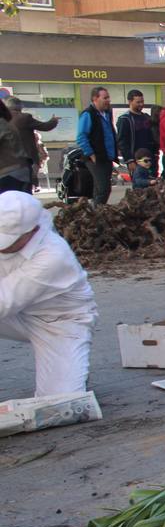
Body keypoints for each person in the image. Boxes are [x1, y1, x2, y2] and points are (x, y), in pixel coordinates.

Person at [0, 190, 98, 397]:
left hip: (58, 322)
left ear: (31, 231)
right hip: (13, 315)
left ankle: (73, 369)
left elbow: (4, 301)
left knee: (59, 400)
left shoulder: (53, 255)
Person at [7, 98, 58, 193]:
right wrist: (54, 120)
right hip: (24, 159)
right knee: (25, 188)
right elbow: (45, 126)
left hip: (6, 161)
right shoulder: (25, 118)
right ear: (20, 107)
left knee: (9, 190)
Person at [77, 87, 118, 204]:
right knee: (103, 189)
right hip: (96, 158)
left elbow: (110, 132)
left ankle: (94, 213)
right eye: (105, 98)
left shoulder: (107, 113)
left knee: (99, 189)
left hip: (107, 157)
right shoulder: (88, 114)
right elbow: (81, 136)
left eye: (108, 98)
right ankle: (97, 213)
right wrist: (91, 154)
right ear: (95, 98)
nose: (108, 100)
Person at [115, 90, 158, 178]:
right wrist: (129, 160)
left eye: (142, 101)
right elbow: (122, 141)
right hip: (136, 159)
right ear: (130, 102)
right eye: (138, 102)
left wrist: (155, 153)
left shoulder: (147, 117)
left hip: (150, 157)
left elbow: (153, 136)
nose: (141, 104)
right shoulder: (124, 119)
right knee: (139, 185)